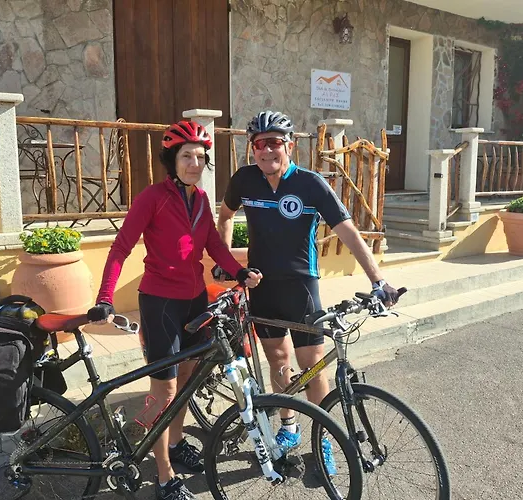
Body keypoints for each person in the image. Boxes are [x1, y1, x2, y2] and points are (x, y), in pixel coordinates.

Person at [214, 110, 401, 473]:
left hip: (301, 288)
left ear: (289, 145)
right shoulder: (244, 180)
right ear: (252, 149)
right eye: (258, 144)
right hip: (261, 287)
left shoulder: (310, 184)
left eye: (274, 142)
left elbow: (348, 232)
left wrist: (378, 281)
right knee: (278, 361)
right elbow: (224, 216)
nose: (266, 150)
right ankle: (289, 428)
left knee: (313, 369)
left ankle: (323, 439)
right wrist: (226, 262)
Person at [88, 120, 262, 500]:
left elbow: (213, 244)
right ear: (172, 159)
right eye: (187, 156)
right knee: (164, 389)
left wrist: (239, 272)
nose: (194, 164)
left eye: (200, 157)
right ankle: (164, 475)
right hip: (161, 303)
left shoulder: (200, 199)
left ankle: (176, 440)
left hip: (195, 300)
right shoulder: (152, 198)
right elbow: (120, 248)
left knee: (187, 380)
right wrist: (105, 297)